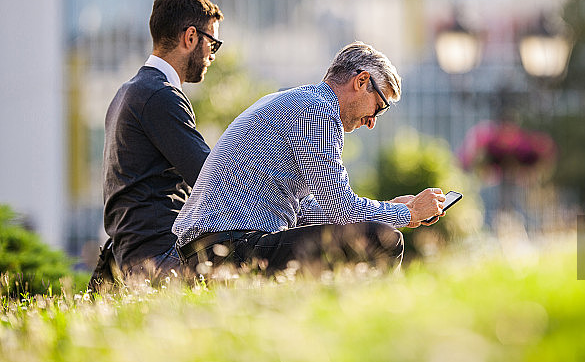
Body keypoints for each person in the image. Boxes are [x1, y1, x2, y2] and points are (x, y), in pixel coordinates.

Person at [172, 42, 445, 277]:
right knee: (383, 240)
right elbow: (342, 212)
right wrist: (407, 214)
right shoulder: (317, 111)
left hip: (208, 249)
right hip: (233, 248)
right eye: (379, 105)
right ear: (361, 81)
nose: (372, 121)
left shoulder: (298, 102)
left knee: (370, 232)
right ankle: (375, 324)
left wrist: (387, 209)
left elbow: (306, 210)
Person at [98, 0, 224, 283]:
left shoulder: (129, 92)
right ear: (191, 37)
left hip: (136, 254)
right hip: (161, 255)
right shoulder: (159, 95)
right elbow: (212, 179)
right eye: (213, 44)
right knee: (264, 264)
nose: (212, 55)